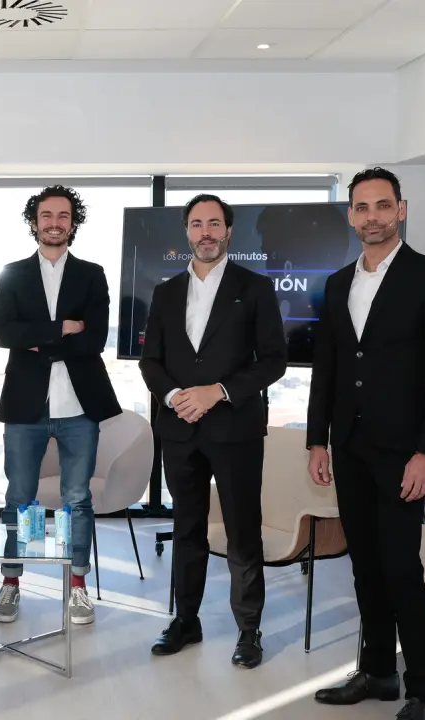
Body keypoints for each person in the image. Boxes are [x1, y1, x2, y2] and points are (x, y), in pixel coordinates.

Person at [308, 168, 425, 720]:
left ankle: (423, 692)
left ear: (401, 209)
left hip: (404, 452)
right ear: (351, 215)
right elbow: (327, 367)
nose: (371, 216)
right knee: (365, 567)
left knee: (400, 568)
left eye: (381, 205)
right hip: (348, 446)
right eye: (361, 207)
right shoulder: (337, 283)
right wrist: (317, 441)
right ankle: (377, 672)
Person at [139, 194, 287, 668]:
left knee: (242, 532)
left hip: (235, 430)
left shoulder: (255, 288)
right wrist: (173, 397)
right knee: (187, 528)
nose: (206, 232)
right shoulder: (165, 293)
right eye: (197, 224)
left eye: (214, 224)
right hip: (179, 429)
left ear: (228, 232)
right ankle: (186, 621)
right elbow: (151, 361)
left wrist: (217, 391)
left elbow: (274, 361)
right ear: (186, 231)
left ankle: (249, 630)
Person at [0, 185, 121, 626]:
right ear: (35, 221)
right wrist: (62, 328)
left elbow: (95, 338)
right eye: (46, 215)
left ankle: (77, 586)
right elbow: (5, 335)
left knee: (77, 500)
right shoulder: (12, 274)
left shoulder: (92, 274)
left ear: (72, 222)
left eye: (63, 215)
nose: (54, 223)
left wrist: (38, 337)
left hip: (80, 406)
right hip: (25, 406)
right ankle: (11, 582)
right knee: (19, 500)